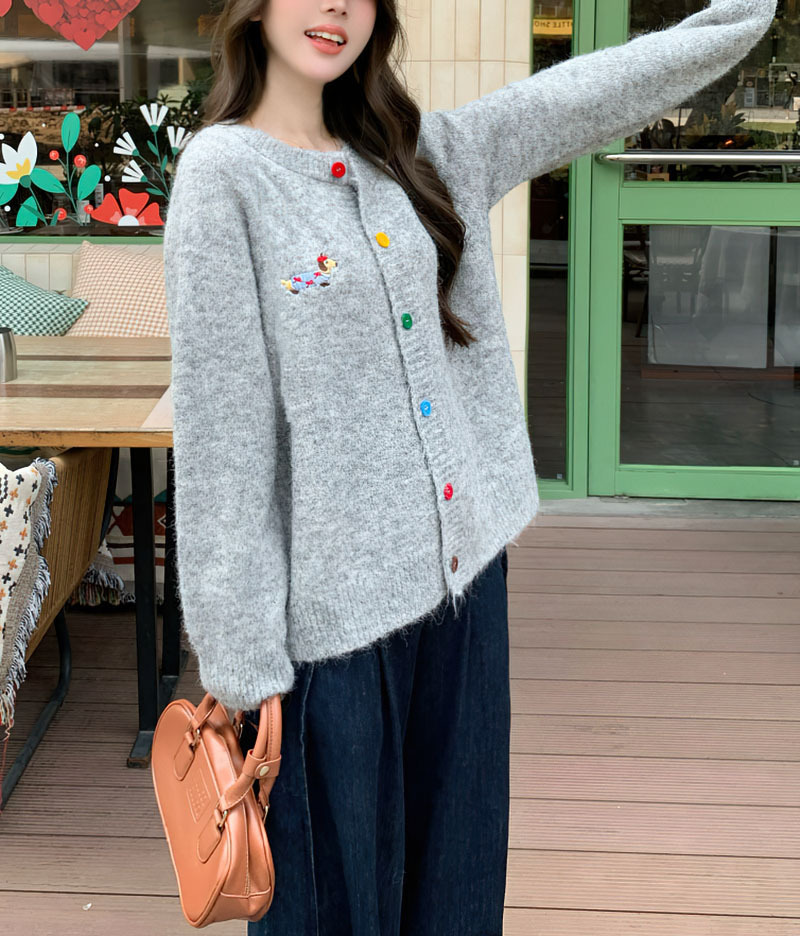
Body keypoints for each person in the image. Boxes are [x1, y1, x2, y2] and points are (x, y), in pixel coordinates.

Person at [162, 1, 777, 933]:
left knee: (459, 895)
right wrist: (243, 670)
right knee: (333, 911)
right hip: (328, 639)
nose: (335, 7)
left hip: (464, 599)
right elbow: (223, 440)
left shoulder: (422, 155)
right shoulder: (224, 177)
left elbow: (590, 92)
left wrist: (741, 17)